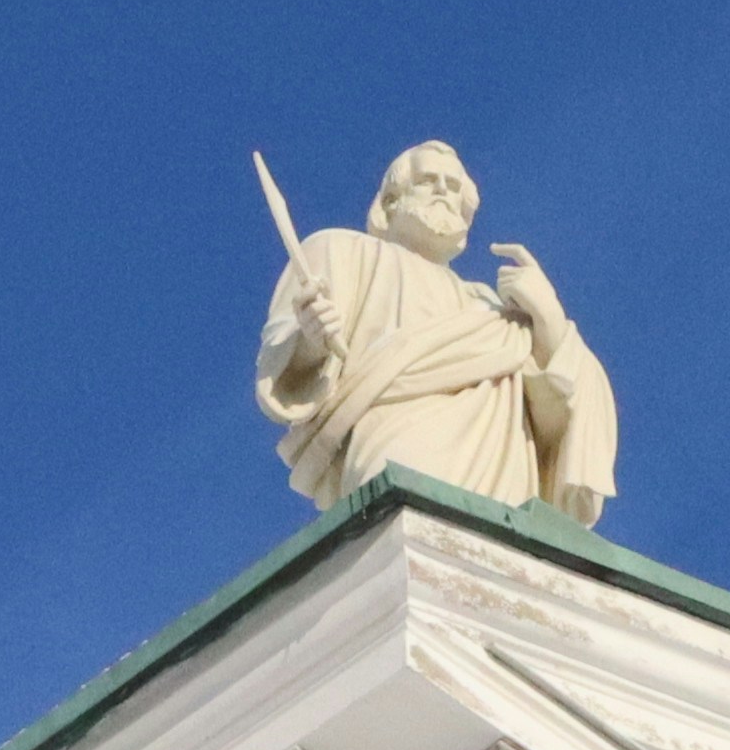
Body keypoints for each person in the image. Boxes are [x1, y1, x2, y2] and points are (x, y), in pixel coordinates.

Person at [254, 142, 619, 525]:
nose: (444, 191)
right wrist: (311, 340)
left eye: (453, 185)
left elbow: (565, 410)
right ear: (391, 201)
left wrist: (549, 320)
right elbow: (283, 363)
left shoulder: (491, 307)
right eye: (428, 181)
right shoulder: (342, 250)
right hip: (401, 444)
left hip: (504, 474)